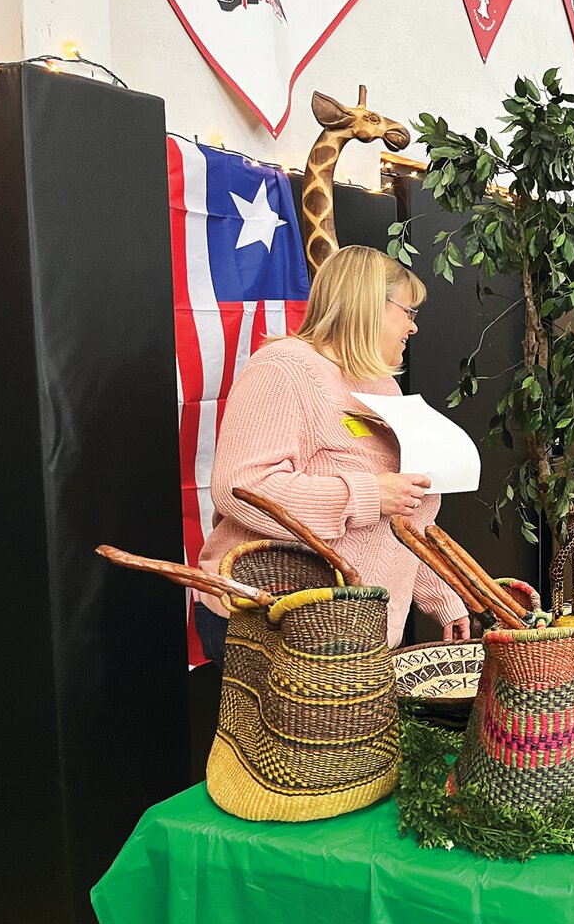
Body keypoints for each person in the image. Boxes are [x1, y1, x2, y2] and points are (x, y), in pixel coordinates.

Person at [193, 245, 469, 665]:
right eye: (408, 312)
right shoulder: (283, 367)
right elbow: (241, 486)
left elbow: (404, 522)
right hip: (273, 620)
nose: (413, 328)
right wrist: (365, 495)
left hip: (353, 626)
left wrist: (442, 599)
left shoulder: (382, 386)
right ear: (368, 304)